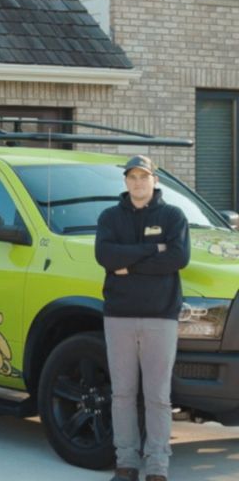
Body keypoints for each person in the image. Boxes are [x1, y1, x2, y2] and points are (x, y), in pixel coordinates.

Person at [95, 154, 190, 481]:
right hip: (118, 316)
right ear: (125, 181)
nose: (138, 182)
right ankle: (126, 464)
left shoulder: (173, 216)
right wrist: (153, 249)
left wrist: (128, 265)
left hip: (160, 317)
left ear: (155, 180)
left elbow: (177, 258)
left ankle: (157, 468)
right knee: (122, 394)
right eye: (132, 177)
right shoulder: (109, 217)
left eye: (143, 176)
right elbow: (105, 255)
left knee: (157, 396)